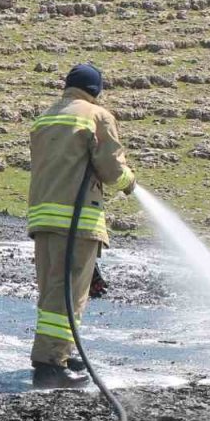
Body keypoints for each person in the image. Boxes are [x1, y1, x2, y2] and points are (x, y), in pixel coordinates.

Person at [27, 63, 136, 388]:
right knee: (68, 295)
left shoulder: (46, 117)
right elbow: (111, 169)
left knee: (52, 291)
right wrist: (130, 180)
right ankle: (49, 367)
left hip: (43, 218)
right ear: (96, 89)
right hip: (75, 221)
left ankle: (60, 352)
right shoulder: (96, 115)